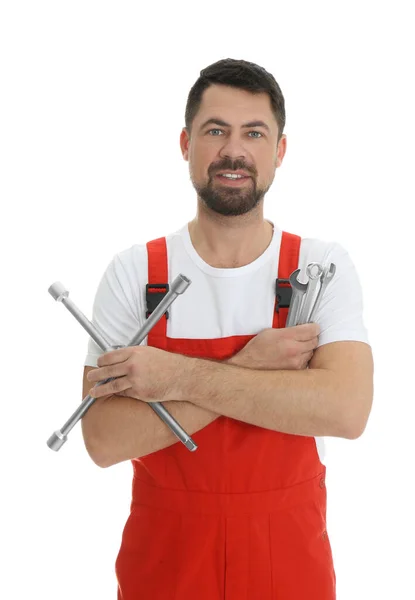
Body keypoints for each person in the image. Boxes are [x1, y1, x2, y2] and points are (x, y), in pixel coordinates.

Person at [82, 58, 373, 600]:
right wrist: (250, 368)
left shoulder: (322, 265)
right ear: (185, 143)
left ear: (280, 150)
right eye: (215, 131)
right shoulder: (134, 274)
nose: (233, 151)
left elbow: (346, 411)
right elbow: (102, 440)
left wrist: (175, 379)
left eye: (254, 133)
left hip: (289, 565)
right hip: (163, 566)